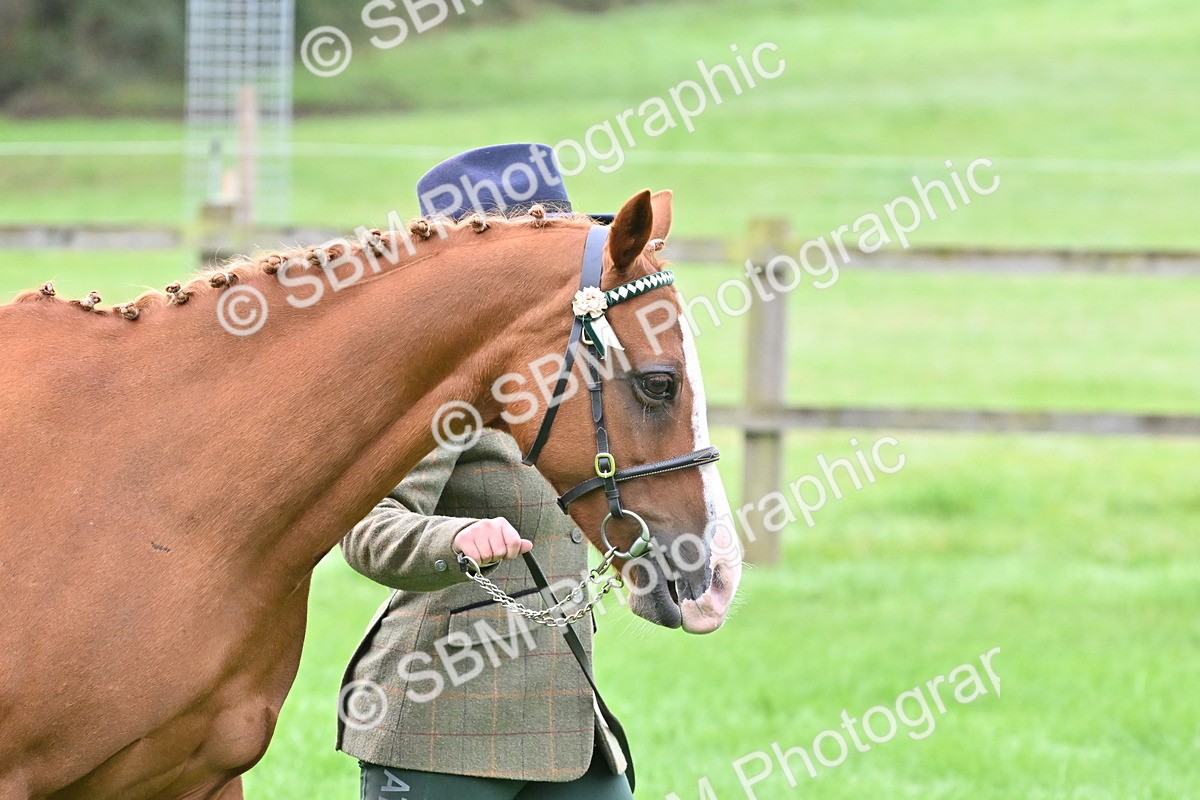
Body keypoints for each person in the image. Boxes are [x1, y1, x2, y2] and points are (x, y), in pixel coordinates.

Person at [337, 144, 635, 800]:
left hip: (566, 725)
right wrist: (456, 539)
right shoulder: (441, 390)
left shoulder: (567, 379)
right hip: (438, 728)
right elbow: (366, 529)